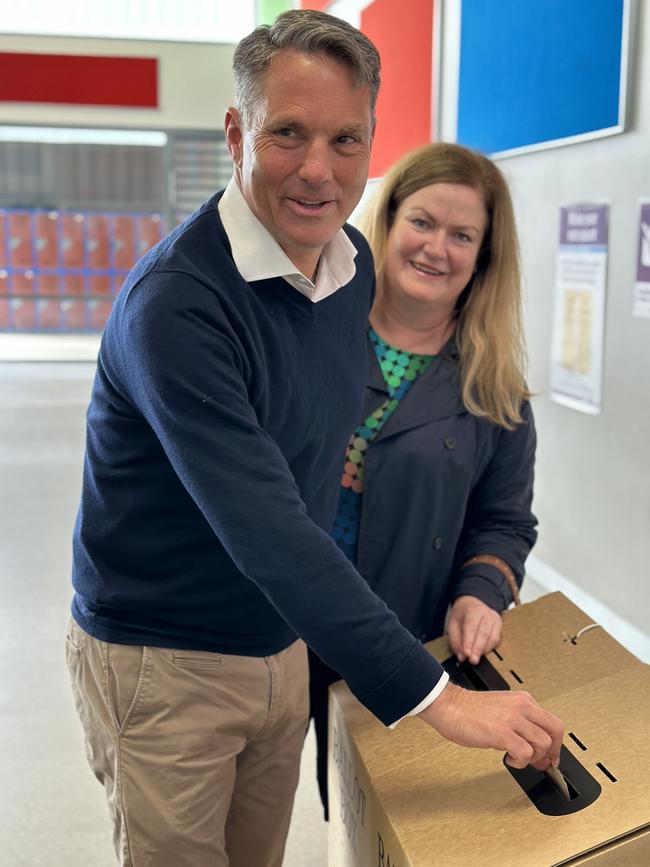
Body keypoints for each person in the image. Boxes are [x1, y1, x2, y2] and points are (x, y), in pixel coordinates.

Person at [65, 11, 563, 867]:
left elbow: (330, 471)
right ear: (236, 132)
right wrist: (437, 697)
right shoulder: (178, 308)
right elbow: (271, 524)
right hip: (167, 652)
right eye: (287, 133)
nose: (318, 170)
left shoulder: (347, 269)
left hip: (283, 641)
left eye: (346, 139)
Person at [309, 141, 543, 817]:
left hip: (395, 639)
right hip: (273, 620)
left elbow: (505, 520)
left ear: (483, 258)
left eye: (462, 234)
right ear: (387, 222)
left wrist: (481, 591)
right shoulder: (314, 332)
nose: (436, 247)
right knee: (241, 808)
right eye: (422, 222)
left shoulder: (493, 389)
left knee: (360, 817)